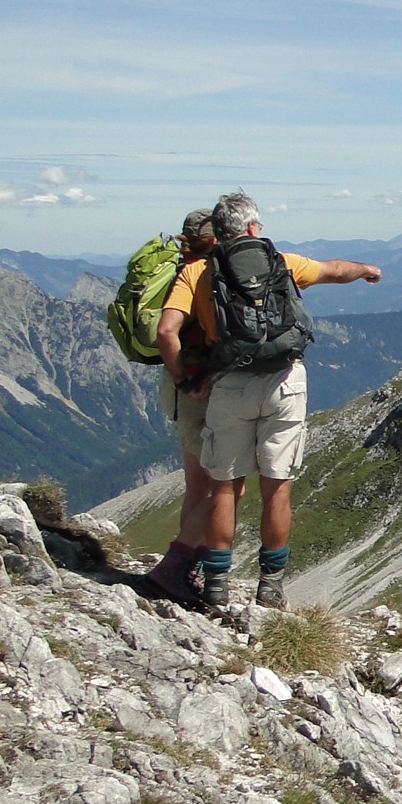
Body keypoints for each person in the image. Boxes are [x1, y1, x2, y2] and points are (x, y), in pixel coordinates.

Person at [154, 192, 381, 609]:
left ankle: (215, 586)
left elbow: (167, 332)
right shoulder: (280, 261)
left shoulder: (196, 273)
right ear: (254, 228)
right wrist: (365, 269)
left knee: (224, 487)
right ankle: (271, 586)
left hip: (229, 385)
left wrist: (185, 381)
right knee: (278, 490)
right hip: (285, 382)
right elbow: (332, 270)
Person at [140, 210, 241, 607]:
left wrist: (177, 378)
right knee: (227, 487)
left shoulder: (179, 267)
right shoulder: (204, 273)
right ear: (216, 239)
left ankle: (183, 573)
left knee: (198, 486)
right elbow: (168, 331)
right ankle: (179, 568)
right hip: (200, 386)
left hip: (176, 389)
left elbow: (166, 333)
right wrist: (189, 377)